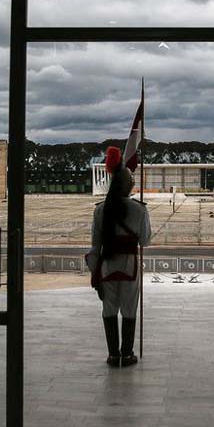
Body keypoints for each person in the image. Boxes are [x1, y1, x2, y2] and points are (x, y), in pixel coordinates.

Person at [87, 146, 151, 368]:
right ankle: (128, 353)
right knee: (130, 310)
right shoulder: (139, 210)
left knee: (109, 310)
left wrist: (95, 275)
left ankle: (113, 355)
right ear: (129, 185)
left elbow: (95, 247)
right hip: (130, 266)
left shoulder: (100, 210)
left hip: (106, 266)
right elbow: (145, 240)